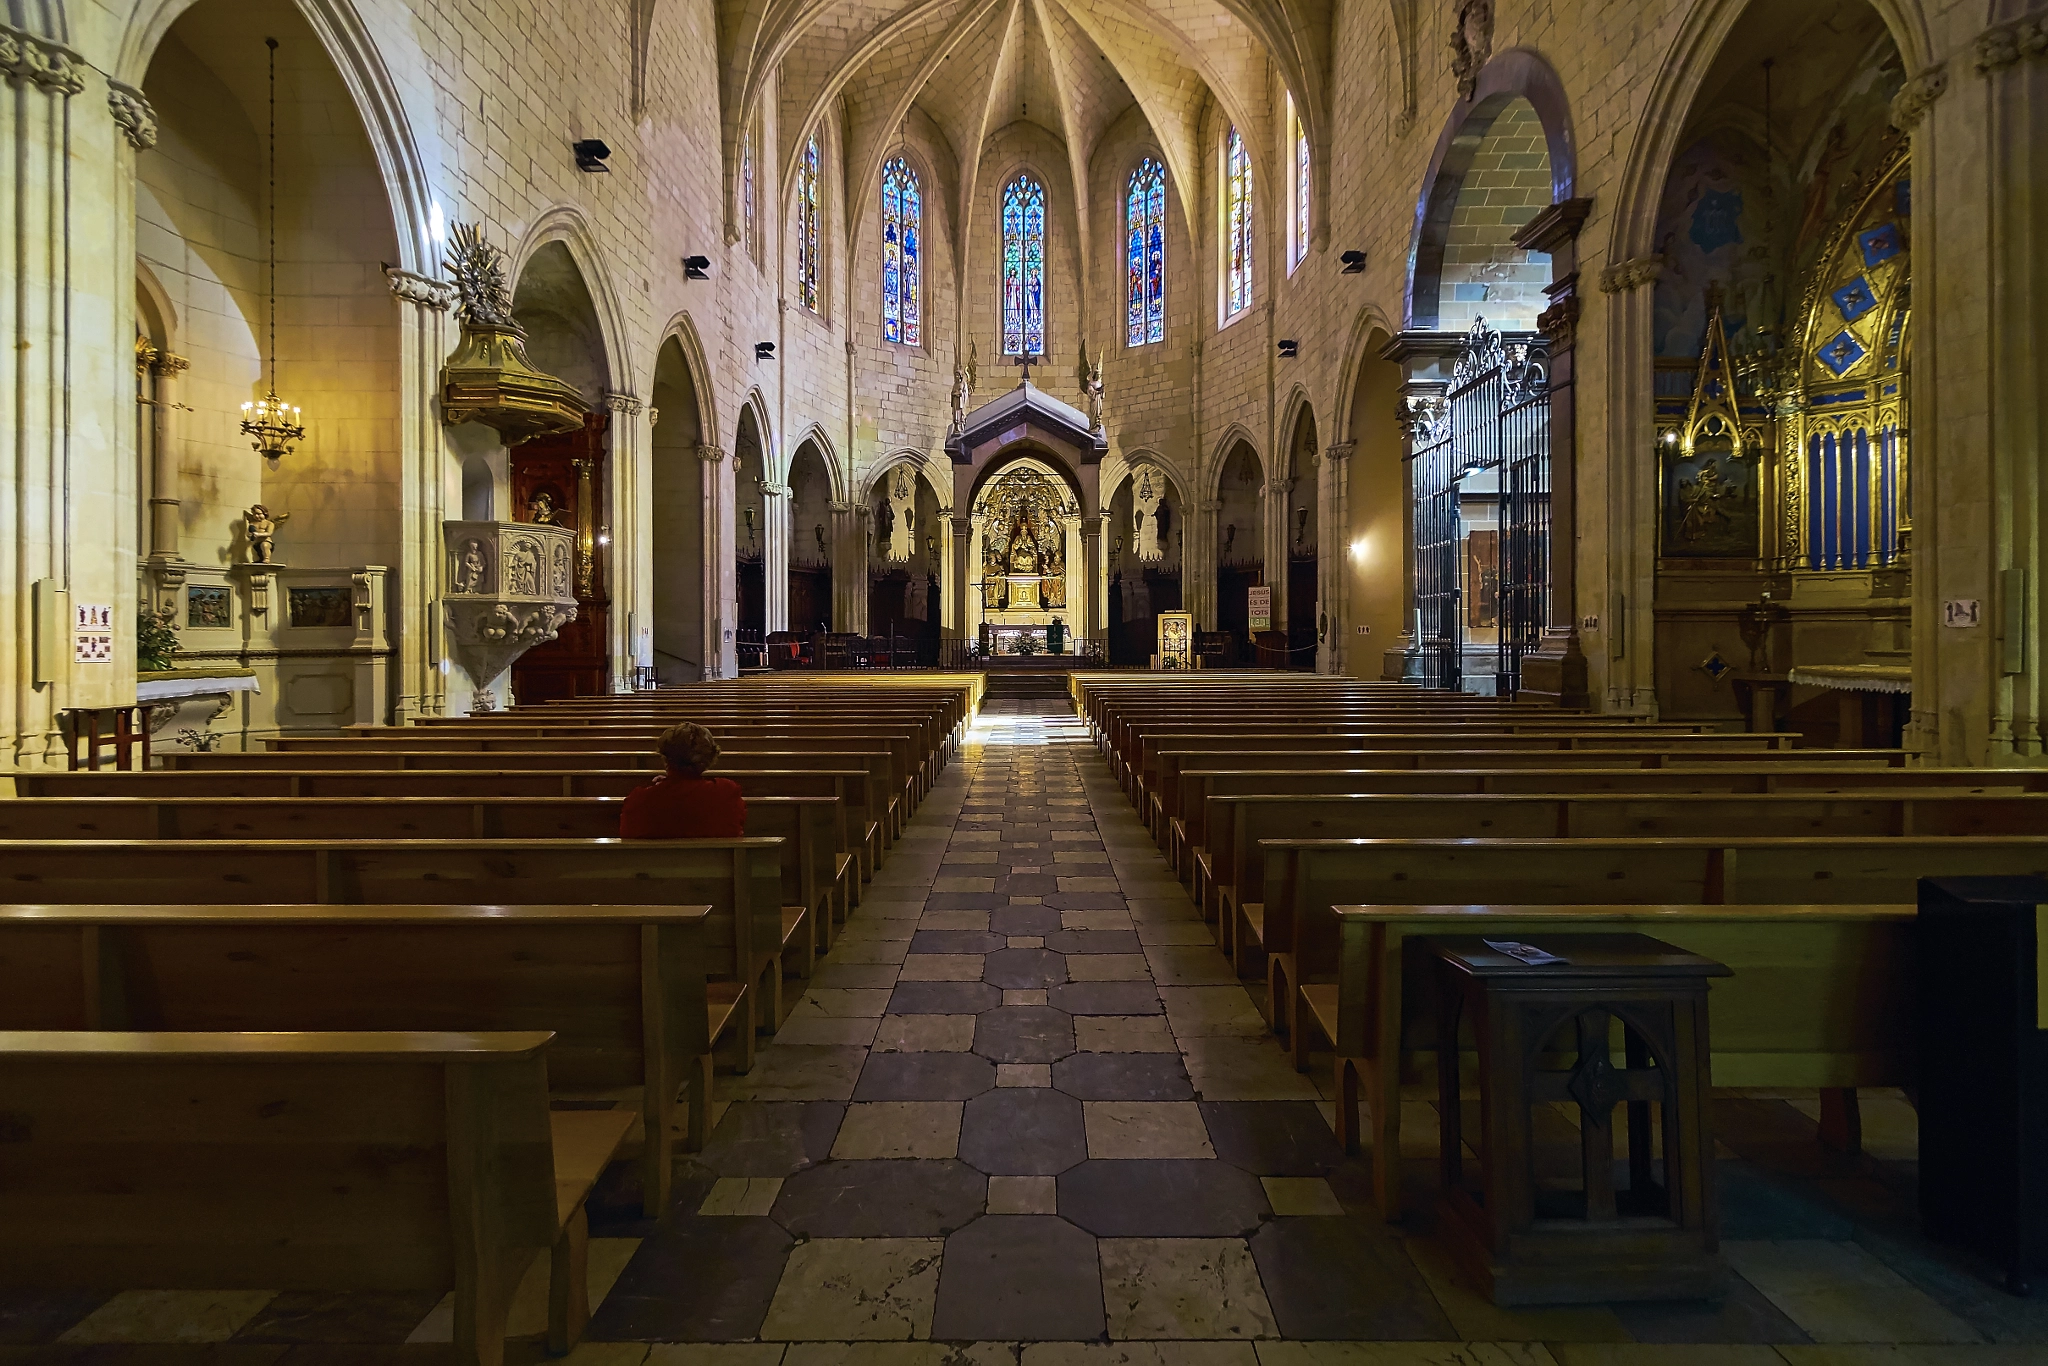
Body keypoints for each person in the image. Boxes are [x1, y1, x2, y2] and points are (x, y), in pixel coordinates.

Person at [619, 721, 746, 838]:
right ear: (708, 758)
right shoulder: (726, 793)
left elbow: (627, 833)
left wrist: (660, 788)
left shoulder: (640, 800)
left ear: (666, 756)